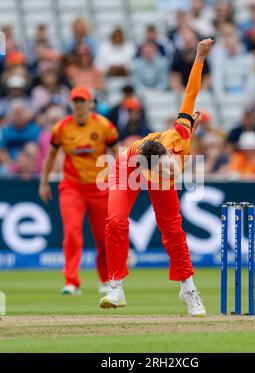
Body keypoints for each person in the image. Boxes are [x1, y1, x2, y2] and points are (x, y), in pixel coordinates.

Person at [99, 38, 215, 317]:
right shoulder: (143, 164)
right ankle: (115, 286)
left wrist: (199, 56)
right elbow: (146, 168)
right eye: (163, 172)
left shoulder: (180, 132)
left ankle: (188, 289)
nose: (171, 172)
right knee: (115, 221)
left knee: (173, 231)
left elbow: (191, 91)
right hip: (127, 167)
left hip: (149, 156)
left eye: (168, 167)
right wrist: (150, 171)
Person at [39, 86, 119, 295]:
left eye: (83, 101)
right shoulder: (61, 128)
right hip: (72, 186)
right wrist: (44, 182)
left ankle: (106, 279)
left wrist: (123, 179)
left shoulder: (104, 126)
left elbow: (118, 153)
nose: (79, 105)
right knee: (72, 233)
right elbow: (51, 155)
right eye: (76, 101)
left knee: (103, 237)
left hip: (100, 187)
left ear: (91, 103)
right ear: (71, 104)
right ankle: (72, 281)